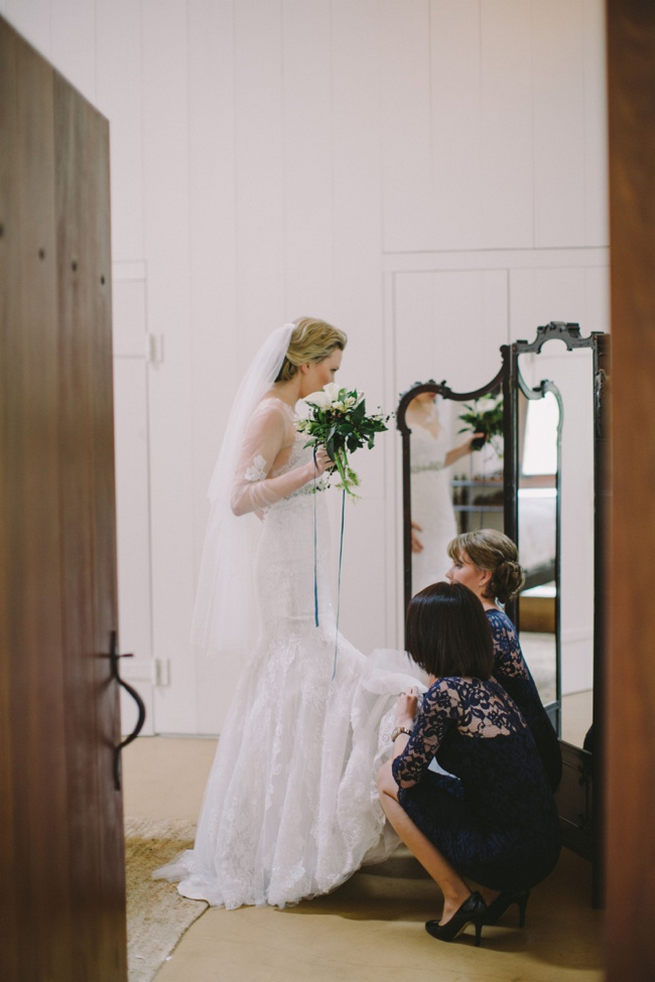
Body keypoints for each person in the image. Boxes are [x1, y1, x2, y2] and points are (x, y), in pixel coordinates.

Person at [155, 317, 424, 909]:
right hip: (284, 566)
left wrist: (310, 477)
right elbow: (238, 497)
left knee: (313, 661)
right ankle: (283, 841)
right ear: (305, 361)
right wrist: (313, 469)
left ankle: (298, 829)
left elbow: (274, 487)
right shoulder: (270, 413)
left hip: (305, 553)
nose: (332, 379)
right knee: (304, 658)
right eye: (330, 367)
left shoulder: (291, 411)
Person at [377, 582, 561, 946]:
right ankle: (499, 893)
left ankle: (456, 898)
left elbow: (406, 776)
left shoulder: (447, 693)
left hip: (509, 854)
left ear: (427, 636)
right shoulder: (489, 683)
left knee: (387, 779)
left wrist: (403, 723)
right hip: (545, 844)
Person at [445, 528, 562, 791]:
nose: (448, 573)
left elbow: (448, 687)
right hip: (517, 746)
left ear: (484, 576)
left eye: (458, 564)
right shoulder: (486, 620)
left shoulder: (490, 626)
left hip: (531, 755)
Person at [406, 392, 481, 593]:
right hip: (414, 498)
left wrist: (465, 450)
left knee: (444, 558)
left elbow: (436, 462)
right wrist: (402, 516)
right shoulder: (400, 410)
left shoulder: (434, 408)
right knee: (418, 563)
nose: (435, 392)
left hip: (439, 500)